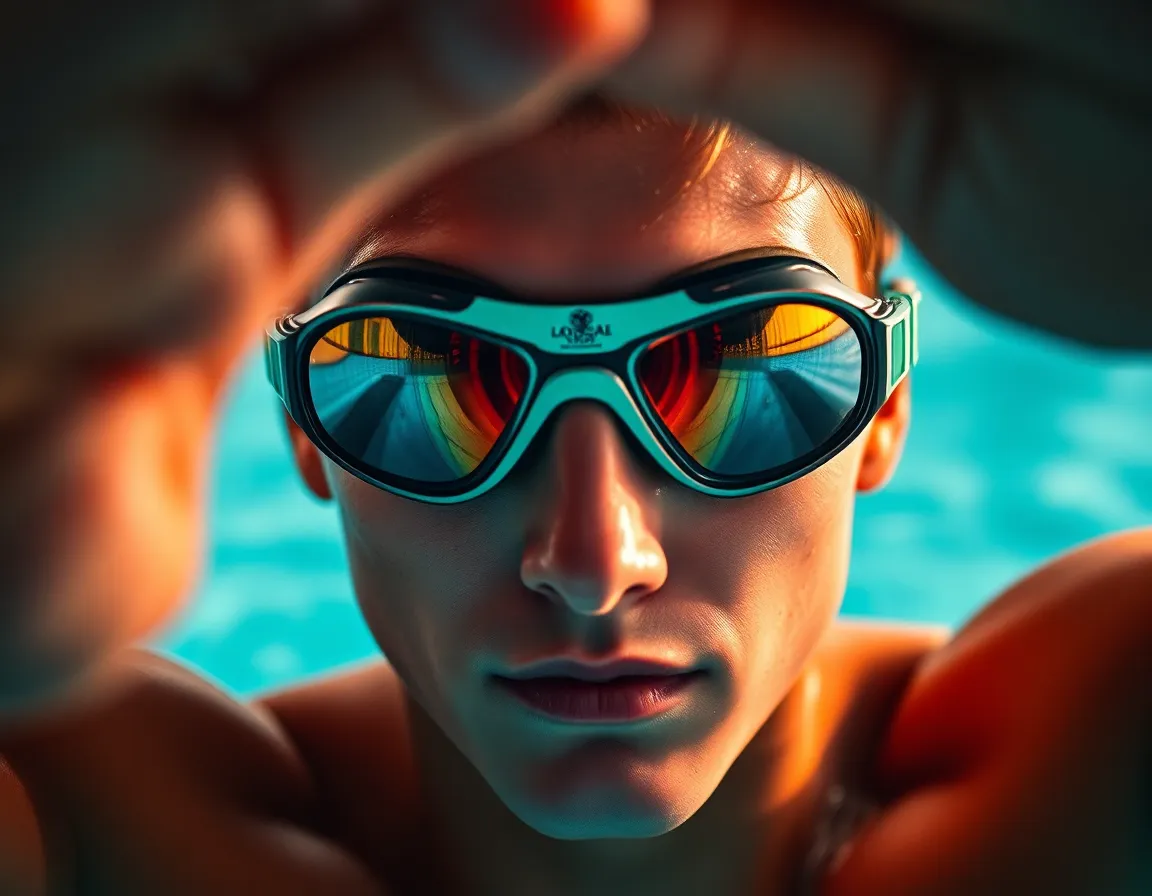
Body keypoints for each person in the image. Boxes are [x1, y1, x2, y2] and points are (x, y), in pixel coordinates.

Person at [0, 1, 1148, 893]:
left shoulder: (1100, 749)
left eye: (741, 372)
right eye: (435, 379)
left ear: (886, 405)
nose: (596, 560)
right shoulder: (100, 824)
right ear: (304, 420)